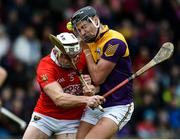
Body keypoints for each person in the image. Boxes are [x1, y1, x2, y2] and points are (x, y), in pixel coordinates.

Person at [23, 32, 105, 139]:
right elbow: (59, 99)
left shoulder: (82, 57)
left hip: (72, 120)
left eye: (76, 56)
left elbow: (98, 84)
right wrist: (86, 99)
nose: (73, 61)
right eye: (68, 57)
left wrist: (92, 88)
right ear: (58, 53)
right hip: (45, 116)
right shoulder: (46, 66)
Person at [68, 6, 134, 139]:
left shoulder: (114, 42)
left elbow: (98, 77)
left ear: (96, 20)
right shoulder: (90, 40)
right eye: (79, 30)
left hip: (118, 104)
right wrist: (89, 85)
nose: (82, 33)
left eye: (84, 27)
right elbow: (92, 80)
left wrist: (86, 50)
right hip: (96, 103)